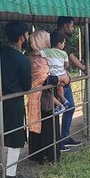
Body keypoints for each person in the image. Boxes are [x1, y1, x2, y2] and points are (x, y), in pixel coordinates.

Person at [0, 22, 32, 178]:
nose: (28, 38)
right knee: (15, 138)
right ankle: (10, 173)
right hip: (13, 103)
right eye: (27, 35)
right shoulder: (23, 60)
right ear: (21, 37)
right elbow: (27, 86)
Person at [27, 31, 67, 163]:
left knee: (42, 125)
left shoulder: (34, 56)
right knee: (48, 126)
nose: (49, 42)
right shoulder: (38, 60)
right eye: (46, 39)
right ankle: (48, 156)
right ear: (40, 41)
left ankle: (39, 155)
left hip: (40, 95)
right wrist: (61, 78)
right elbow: (45, 79)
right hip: (43, 96)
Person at [53, 17, 83, 149]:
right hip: (59, 81)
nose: (72, 29)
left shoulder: (58, 38)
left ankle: (63, 137)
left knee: (68, 107)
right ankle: (59, 139)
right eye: (71, 26)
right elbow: (70, 57)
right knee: (63, 109)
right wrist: (83, 68)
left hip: (62, 80)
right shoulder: (58, 39)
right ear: (65, 26)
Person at [40, 32, 72, 113]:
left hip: (53, 76)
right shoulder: (64, 53)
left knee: (47, 92)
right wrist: (62, 69)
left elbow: (38, 54)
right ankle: (64, 100)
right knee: (60, 88)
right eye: (64, 43)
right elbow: (67, 65)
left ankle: (59, 105)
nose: (64, 44)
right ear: (59, 44)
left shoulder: (46, 51)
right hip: (63, 75)